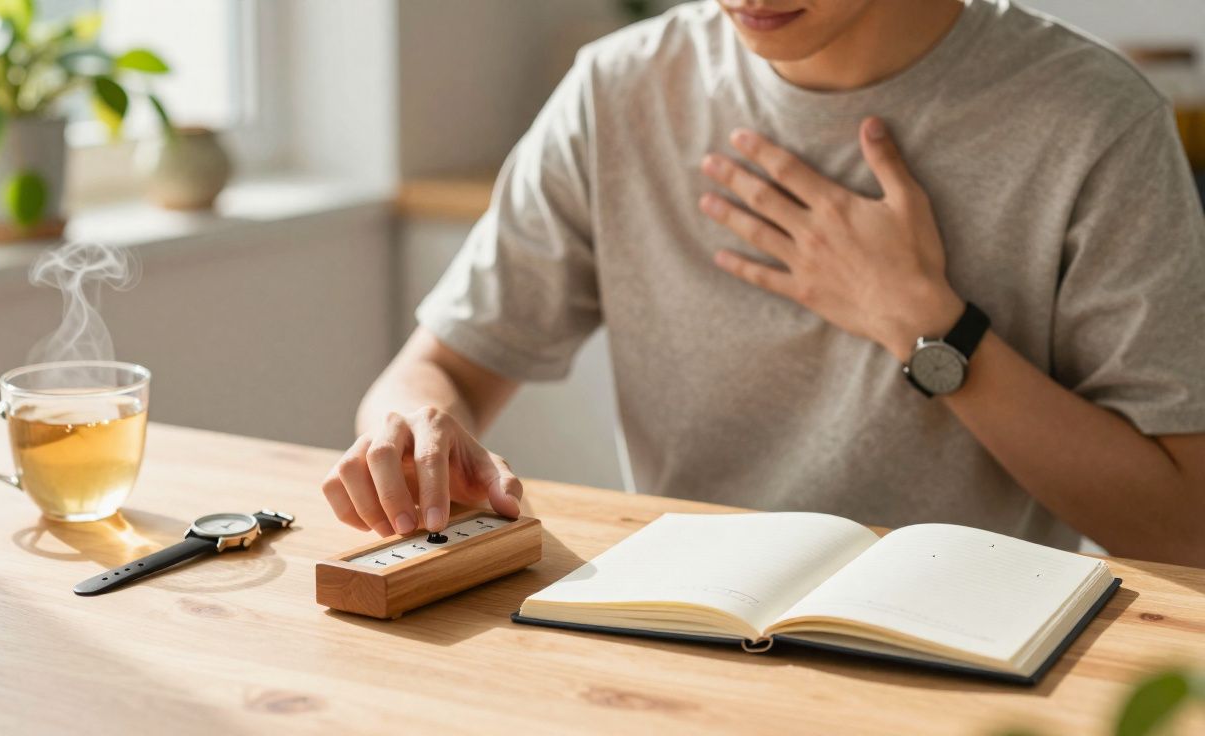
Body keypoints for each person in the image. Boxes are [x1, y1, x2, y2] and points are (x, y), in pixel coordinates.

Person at [322, 0, 1205, 566]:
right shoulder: (619, 90)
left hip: (973, 664)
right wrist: (416, 430)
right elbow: (439, 370)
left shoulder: (1096, 120)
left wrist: (930, 329)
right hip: (683, 644)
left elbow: (1184, 528)